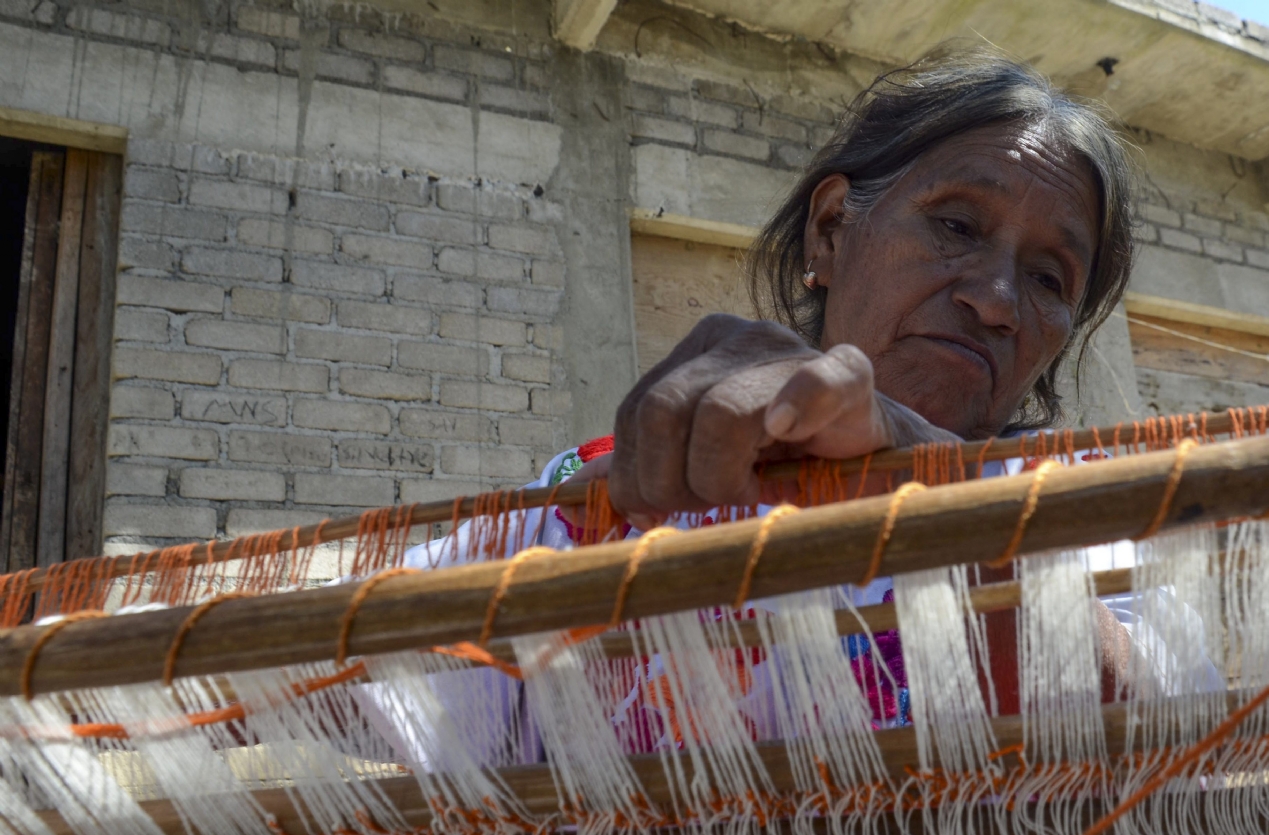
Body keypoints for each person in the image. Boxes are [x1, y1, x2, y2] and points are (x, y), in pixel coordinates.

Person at [390, 46, 1218, 764]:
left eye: (1048, 279)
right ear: (829, 230)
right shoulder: (622, 502)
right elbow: (335, 668)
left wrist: (927, 488)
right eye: (958, 226)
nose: (998, 300)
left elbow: (1162, 749)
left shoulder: (1098, 513)